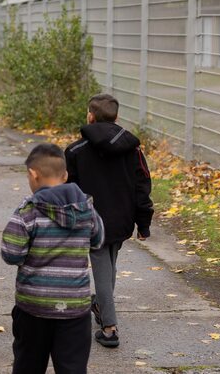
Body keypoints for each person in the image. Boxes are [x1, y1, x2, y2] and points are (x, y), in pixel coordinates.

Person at [2, 143, 104, 374]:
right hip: (74, 307)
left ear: (33, 174)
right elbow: (98, 241)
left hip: (33, 306)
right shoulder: (86, 210)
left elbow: (11, 254)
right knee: (73, 368)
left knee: (28, 365)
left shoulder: (27, 211)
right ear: (65, 175)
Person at [65, 93, 154, 348]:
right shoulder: (132, 150)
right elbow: (142, 186)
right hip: (122, 219)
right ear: (116, 118)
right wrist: (143, 222)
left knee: (106, 269)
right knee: (108, 266)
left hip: (90, 220)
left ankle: (109, 328)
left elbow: (69, 190)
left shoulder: (75, 151)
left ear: (90, 116)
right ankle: (102, 306)